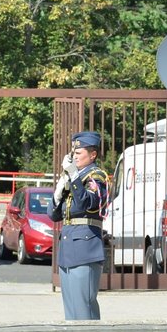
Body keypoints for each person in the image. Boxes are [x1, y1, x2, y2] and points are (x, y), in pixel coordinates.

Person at [48, 131, 110, 320]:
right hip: (69, 245)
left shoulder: (96, 176)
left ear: (92, 155)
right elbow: (53, 215)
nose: (74, 156)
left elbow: (85, 202)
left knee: (83, 307)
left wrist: (73, 176)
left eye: (79, 152)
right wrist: (59, 190)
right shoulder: (73, 179)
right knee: (71, 309)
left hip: (85, 245)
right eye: (73, 152)